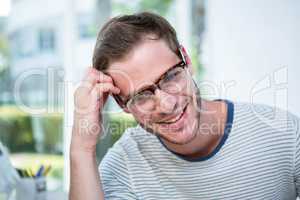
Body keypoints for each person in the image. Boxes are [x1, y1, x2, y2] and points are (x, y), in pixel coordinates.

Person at [69, 12, 300, 200]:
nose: (168, 105)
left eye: (170, 76)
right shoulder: (124, 167)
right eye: (142, 95)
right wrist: (82, 149)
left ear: (187, 61)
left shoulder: (284, 133)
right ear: (122, 104)